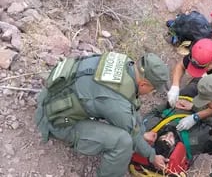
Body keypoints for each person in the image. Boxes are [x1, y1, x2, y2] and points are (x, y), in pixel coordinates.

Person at [35, 52, 170, 177]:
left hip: (53, 96)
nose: (150, 93)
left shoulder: (125, 63)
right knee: (123, 142)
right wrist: (152, 156)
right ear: (144, 84)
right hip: (56, 120)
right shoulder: (117, 102)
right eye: (152, 90)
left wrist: (142, 132)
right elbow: (131, 132)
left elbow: (130, 105)